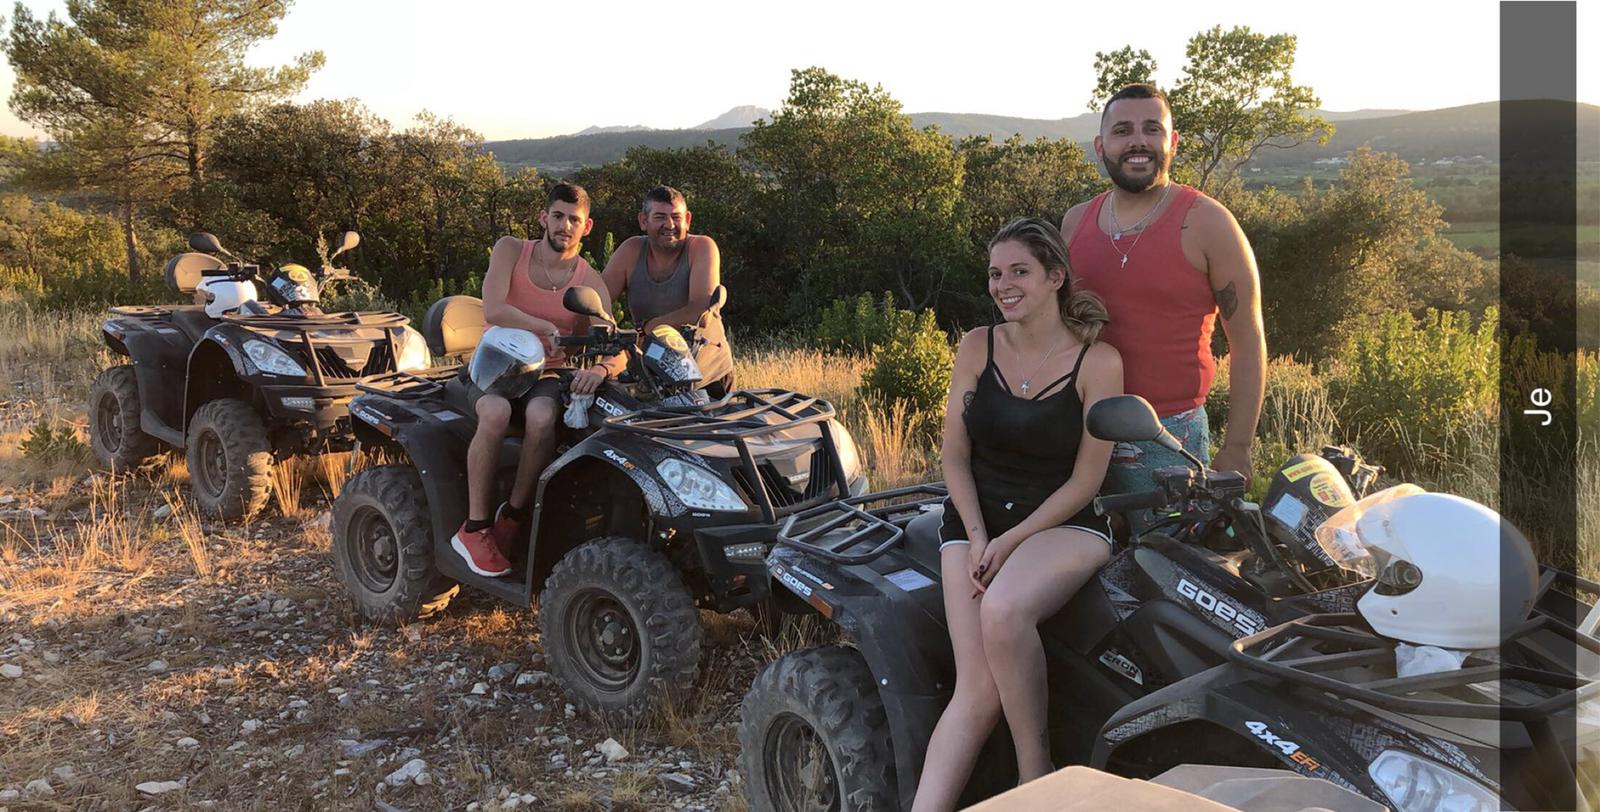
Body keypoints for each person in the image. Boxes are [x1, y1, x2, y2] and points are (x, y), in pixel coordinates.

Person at [912, 217, 1122, 811]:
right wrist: (980, 536)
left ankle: (1036, 777)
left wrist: (1011, 542)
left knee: (1003, 611)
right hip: (976, 517)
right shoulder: (976, 345)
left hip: (1062, 520)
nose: (1002, 285)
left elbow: (1086, 480)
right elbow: (954, 455)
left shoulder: (1098, 361)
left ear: (1055, 277)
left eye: (1019, 272)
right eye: (994, 274)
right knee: (976, 690)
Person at [1060, 83, 1266, 500]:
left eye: (1152, 129)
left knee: (1169, 542)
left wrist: (1238, 446)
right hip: (1077, 427)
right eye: (1122, 131)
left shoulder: (1208, 224)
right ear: (1100, 146)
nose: (1138, 141)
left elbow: (1248, 339)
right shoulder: (1075, 223)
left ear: (1173, 142)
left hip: (1168, 436)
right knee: (1079, 540)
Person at [452, 182, 623, 577]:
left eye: (574, 220)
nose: (565, 226)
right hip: (497, 361)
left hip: (548, 371)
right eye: (558, 216)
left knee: (543, 417)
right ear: (544, 217)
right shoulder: (511, 249)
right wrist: (543, 326)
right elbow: (493, 308)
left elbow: (613, 338)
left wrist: (602, 368)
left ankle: (512, 516)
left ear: (587, 227)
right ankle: (474, 528)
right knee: (495, 412)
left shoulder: (589, 280)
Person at [599, 185, 736, 398]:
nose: (670, 225)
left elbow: (701, 310)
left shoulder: (701, 247)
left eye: (676, 217)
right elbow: (597, 300)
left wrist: (647, 329)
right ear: (643, 221)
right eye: (660, 217)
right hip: (650, 375)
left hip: (705, 377)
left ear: (687, 220)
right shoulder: (631, 251)